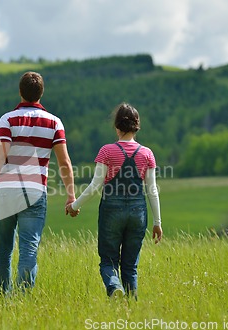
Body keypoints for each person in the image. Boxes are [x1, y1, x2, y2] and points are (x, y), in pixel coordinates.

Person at [0, 71, 76, 296]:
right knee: (29, 250)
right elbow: (64, 162)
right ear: (41, 93)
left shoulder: (7, 119)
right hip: (34, 192)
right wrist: (71, 195)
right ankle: (23, 300)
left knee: (3, 251)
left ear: (20, 92)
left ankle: (3, 300)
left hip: (4, 192)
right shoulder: (54, 122)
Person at [66, 102, 162, 299]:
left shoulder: (107, 151)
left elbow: (95, 185)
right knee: (130, 266)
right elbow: (152, 190)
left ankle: (113, 286)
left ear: (117, 126)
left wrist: (75, 205)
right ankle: (130, 310)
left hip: (112, 210)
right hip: (138, 211)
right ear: (137, 126)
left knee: (108, 261)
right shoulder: (147, 154)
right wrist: (157, 222)